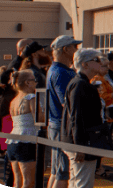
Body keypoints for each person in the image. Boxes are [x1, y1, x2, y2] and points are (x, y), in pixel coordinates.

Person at [63, 49, 108, 188]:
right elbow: (77, 116)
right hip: (83, 140)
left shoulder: (81, 83)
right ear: (85, 64)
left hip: (81, 139)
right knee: (83, 183)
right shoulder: (80, 84)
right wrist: (79, 146)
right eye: (96, 60)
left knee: (76, 181)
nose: (100, 63)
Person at [47, 34, 83, 188]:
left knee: (57, 171)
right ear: (65, 49)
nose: (76, 50)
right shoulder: (62, 73)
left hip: (56, 124)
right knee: (62, 172)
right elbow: (66, 103)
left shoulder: (55, 70)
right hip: (63, 126)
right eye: (74, 47)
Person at [8, 69, 39, 188]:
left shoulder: (14, 100)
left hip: (13, 139)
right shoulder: (30, 97)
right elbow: (39, 118)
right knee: (29, 181)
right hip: (27, 140)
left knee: (18, 180)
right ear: (27, 82)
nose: (36, 83)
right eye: (34, 80)